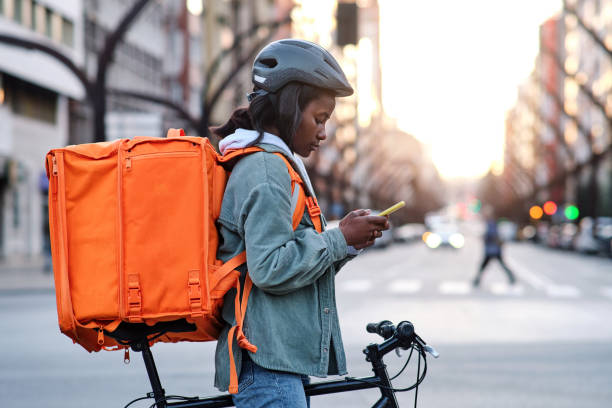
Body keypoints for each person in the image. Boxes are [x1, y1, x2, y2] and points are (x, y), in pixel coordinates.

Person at [211, 39, 389, 407]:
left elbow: (291, 263)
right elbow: (271, 268)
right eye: (319, 119)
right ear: (291, 108)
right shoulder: (266, 167)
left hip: (276, 361)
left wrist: (347, 241)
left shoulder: (278, 165)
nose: (323, 132)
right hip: (267, 367)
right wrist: (338, 239)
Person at [472, 207, 516, 287]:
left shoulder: (491, 224)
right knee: (488, 266)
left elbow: (492, 236)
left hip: (492, 250)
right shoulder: (492, 223)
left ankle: (477, 280)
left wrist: (485, 238)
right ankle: (477, 280)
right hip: (493, 250)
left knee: (485, 266)